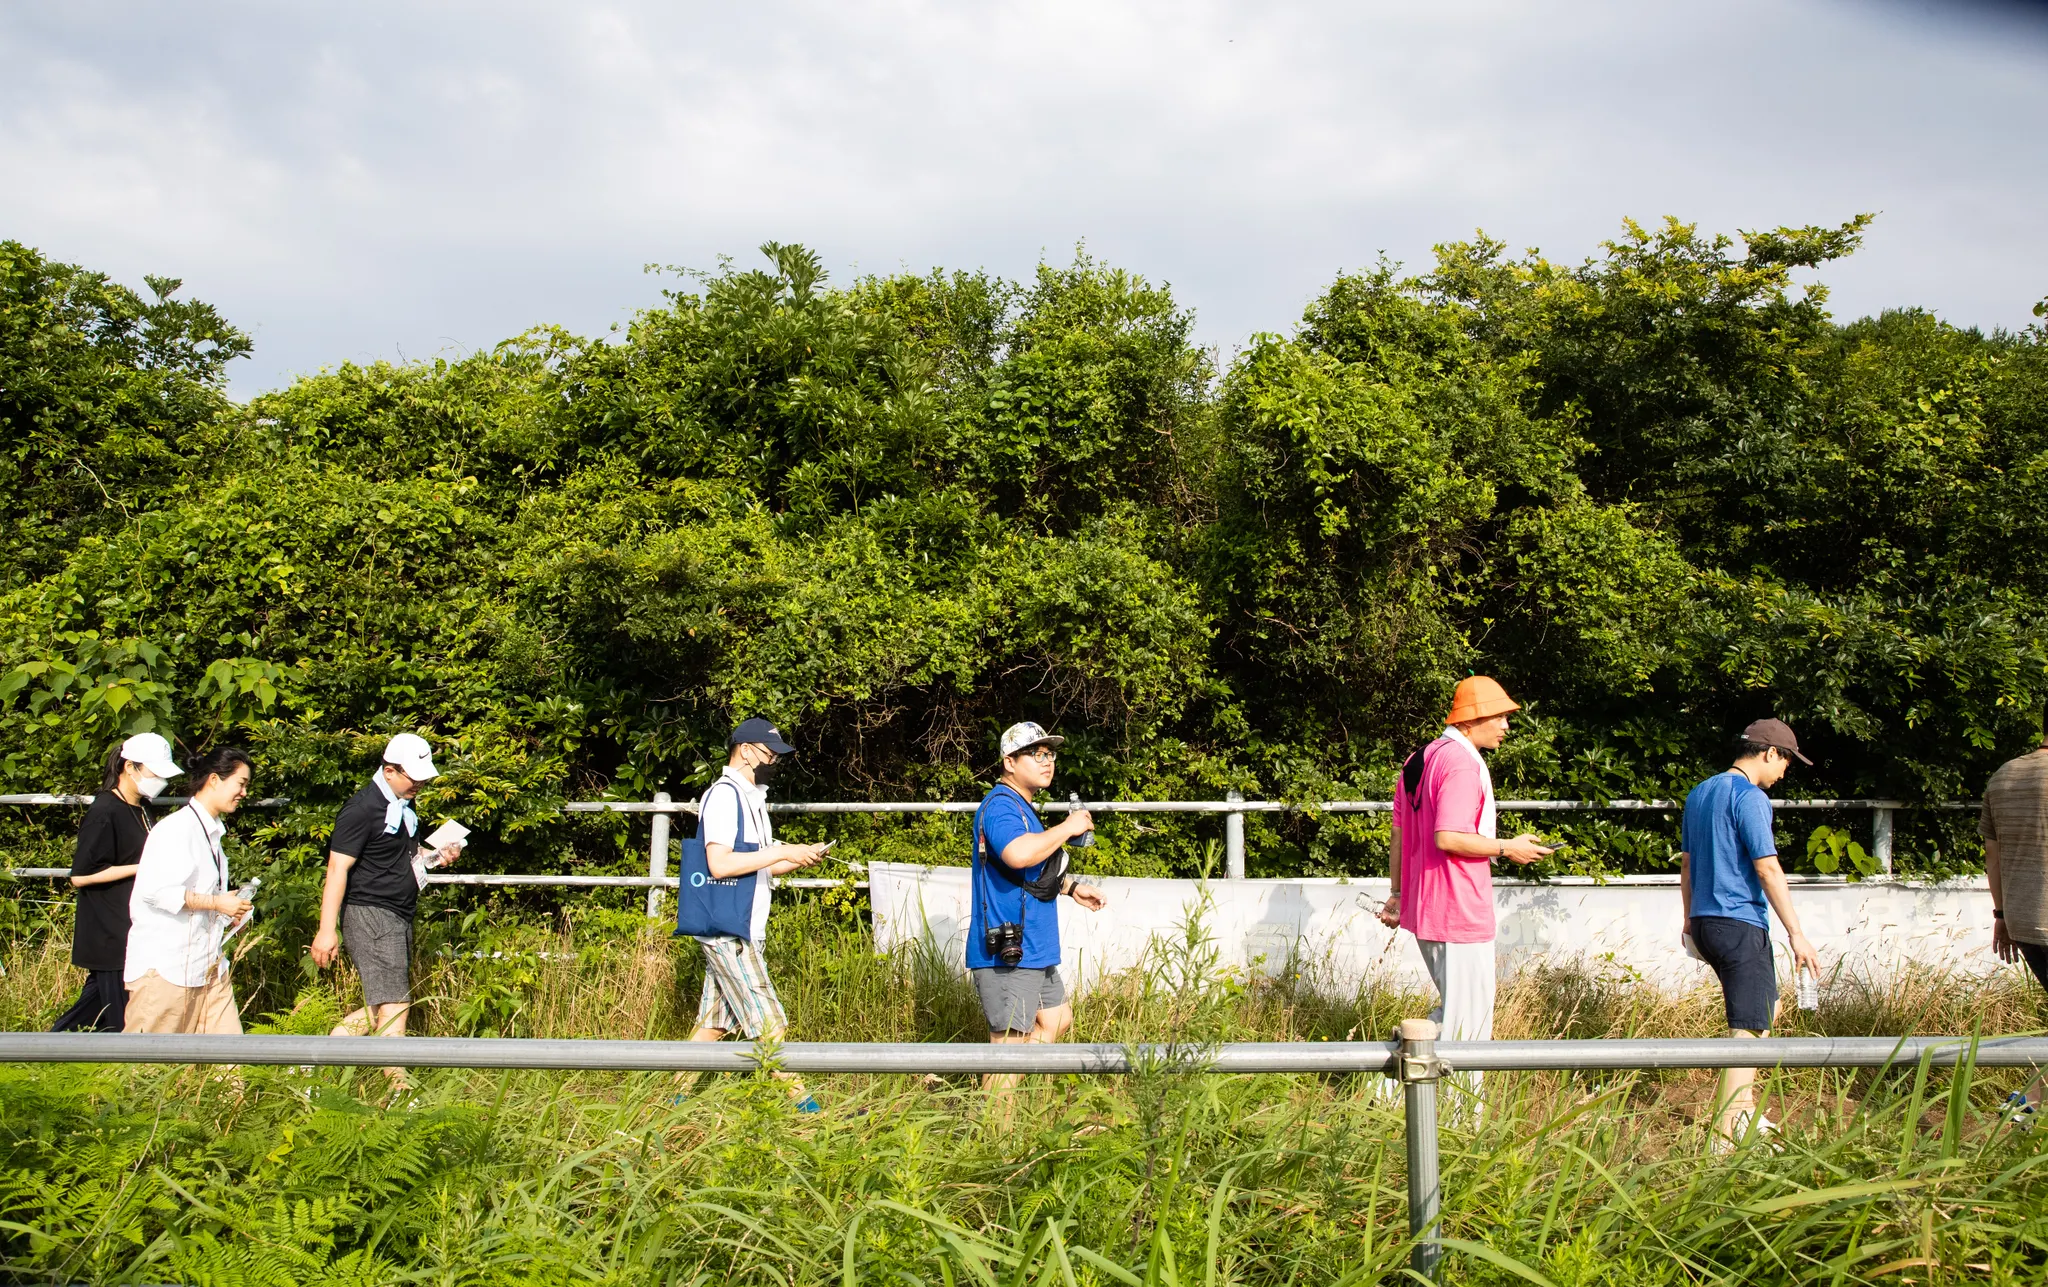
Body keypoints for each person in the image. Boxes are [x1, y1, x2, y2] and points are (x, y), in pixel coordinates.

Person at [1378, 677, 1553, 1102]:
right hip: (1458, 909)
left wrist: (1398, 894)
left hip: (1427, 907)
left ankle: (1381, 1096)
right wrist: (1508, 847)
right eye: (1500, 716)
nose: (1506, 726)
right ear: (1472, 719)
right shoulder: (1461, 763)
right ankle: (1460, 1119)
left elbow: (1399, 833)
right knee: (1469, 1027)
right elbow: (1449, 837)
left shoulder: (1419, 758)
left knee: (1450, 1015)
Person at [1677, 718, 1822, 1150]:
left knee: (1765, 1009)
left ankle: (1743, 1111)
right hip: (1739, 921)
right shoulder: (1750, 797)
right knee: (1748, 1028)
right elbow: (1767, 868)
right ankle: (1726, 1134)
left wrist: (1689, 920)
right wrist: (1796, 934)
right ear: (1770, 753)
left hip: (1706, 922)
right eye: (1786, 762)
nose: (1784, 772)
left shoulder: (1700, 793)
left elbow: (1687, 865)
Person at [685, 718, 830, 1104]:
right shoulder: (724, 796)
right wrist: (782, 851)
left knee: (713, 1026)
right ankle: (809, 1113)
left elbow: (759, 865)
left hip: (742, 926)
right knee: (770, 1025)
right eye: (769, 754)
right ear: (746, 751)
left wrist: (797, 857)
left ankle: (667, 1105)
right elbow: (719, 865)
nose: (773, 763)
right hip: (731, 930)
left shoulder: (750, 798)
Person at [967, 721, 1107, 1100]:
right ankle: (994, 1124)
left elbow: (1030, 870)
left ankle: (996, 1086)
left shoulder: (1023, 808)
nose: (1047, 762)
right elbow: (1018, 854)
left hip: (1034, 948)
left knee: (1057, 1020)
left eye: (1050, 754)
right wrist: (1068, 826)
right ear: (1009, 762)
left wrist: (1072, 888)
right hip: (1009, 948)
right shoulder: (1001, 806)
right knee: (1008, 1046)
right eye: (1036, 754)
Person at [309, 733, 463, 1042]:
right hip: (372, 914)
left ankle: (315, 1062)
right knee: (396, 1005)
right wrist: (326, 930)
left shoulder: (402, 804)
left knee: (380, 1007)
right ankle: (395, 1075)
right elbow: (337, 868)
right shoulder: (361, 809)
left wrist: (436, 855)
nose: (419, 784)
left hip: (398, 914)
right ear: (389, 771)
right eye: (414, 778)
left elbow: (400, 855)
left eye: (423, 778)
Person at [52, 733, 181, 1033]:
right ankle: (41, 1050)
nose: (160, 781)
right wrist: (142, 868)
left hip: (134, 927)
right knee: (119, 1019)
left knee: (97, 1011)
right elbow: (80, 876)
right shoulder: (104, 811)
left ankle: (42, 1050)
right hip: (110, 932)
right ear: (129, 767)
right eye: (154, 773)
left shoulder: (143, 807)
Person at [124, 746, 255, 1034]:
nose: (244, 793)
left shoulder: (212, 832)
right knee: (148, 1060)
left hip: (208, 968)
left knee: (230, 1056)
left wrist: (228, 910)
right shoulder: (176, 829)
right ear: (214, 780)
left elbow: (204, 895)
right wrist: (217, 904)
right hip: (167, 969)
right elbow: (156, 892)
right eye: (241, 783)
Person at [1981, 711, 2048, 1116]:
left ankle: (2031, 1103)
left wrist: (2002, 914)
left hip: (2024, 920)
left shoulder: (2004, 776)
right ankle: (2030, 1105)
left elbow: (1993, 855)